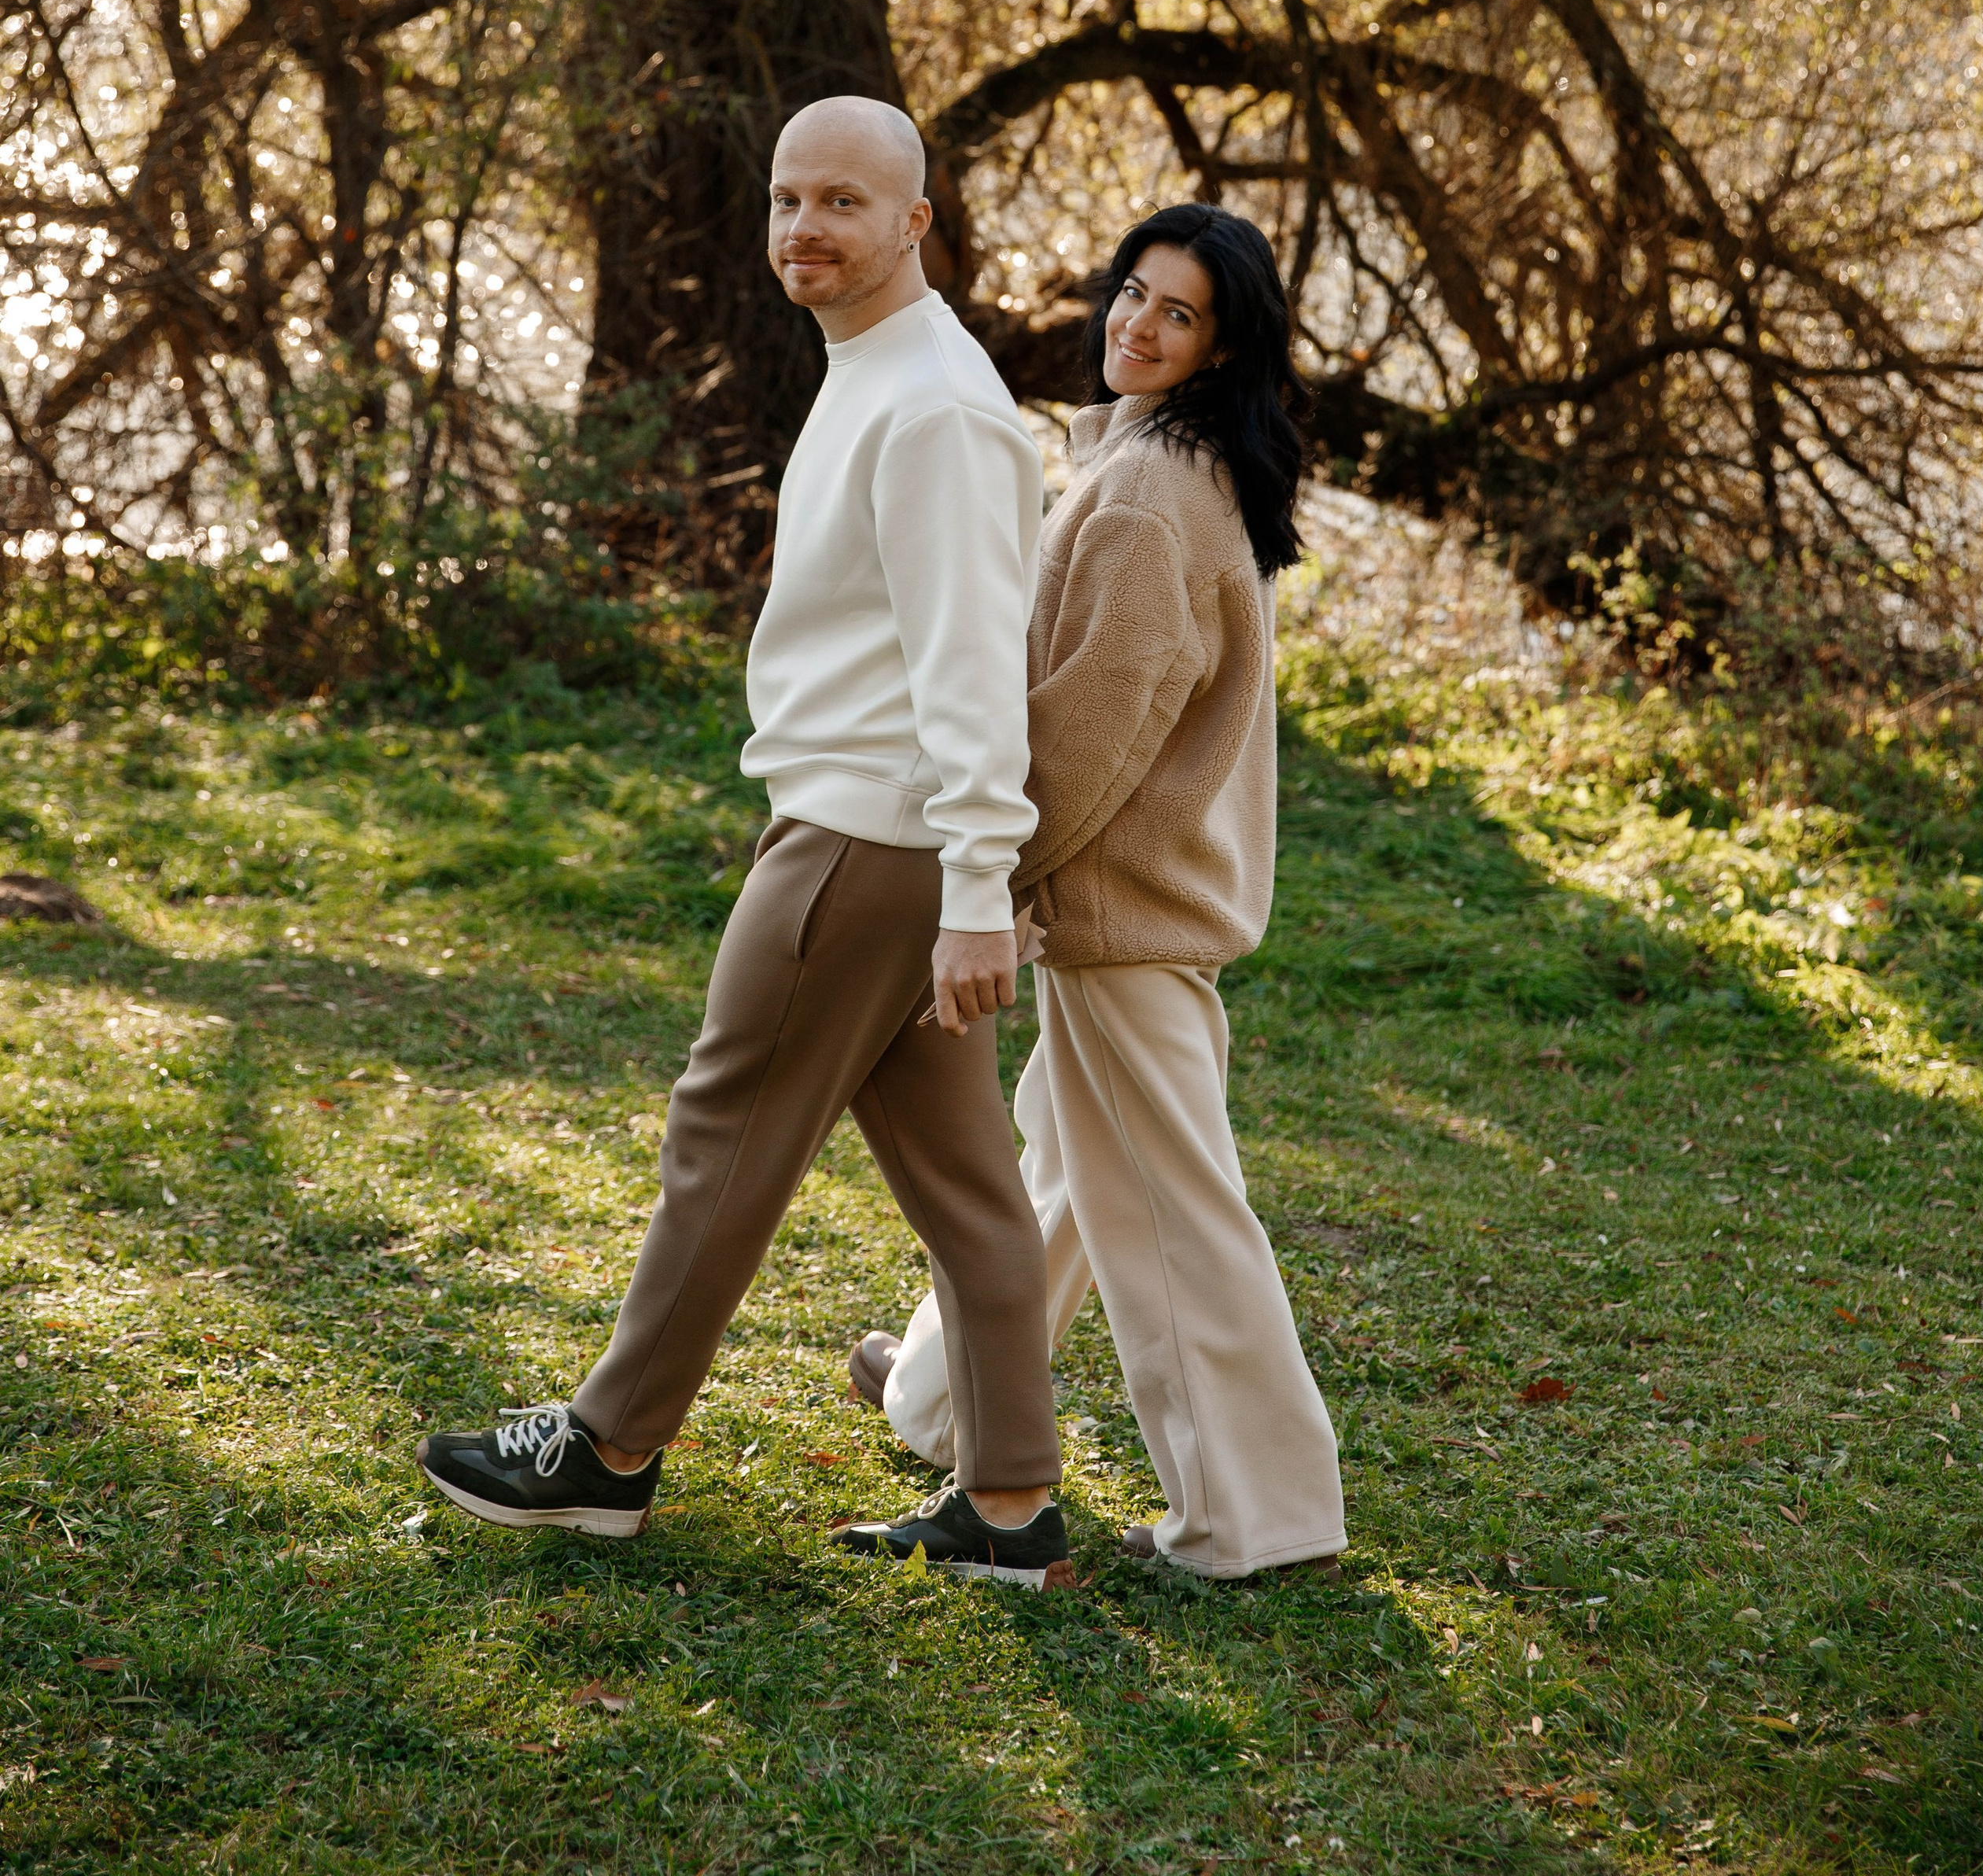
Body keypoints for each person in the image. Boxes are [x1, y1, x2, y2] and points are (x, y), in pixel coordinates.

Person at [418, 95, 1069, 1582]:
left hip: (864, 841)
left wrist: (979, 885)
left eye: (842, 202)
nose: (803, 230)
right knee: (970, 1184)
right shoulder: (881, 371)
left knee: (726, 1130)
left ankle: (607, 1448)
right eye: (786, 200)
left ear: (916, 222)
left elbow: (976, 667)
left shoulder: (939, 409)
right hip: (883, 836)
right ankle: (1011, 1512)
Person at [850, 203, 1346, 1582]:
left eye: (1177, 312)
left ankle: (1258, 1518)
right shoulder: (1162, 465)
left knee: (1177, 1218)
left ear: (1220, 345)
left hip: (1125, 910)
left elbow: (1090, 728)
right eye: (1134, 293)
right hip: (1133, 908)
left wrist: (994, 875)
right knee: (1065, 1171)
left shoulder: (1146, 497)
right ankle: (935, 1400)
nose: (1138, 323)